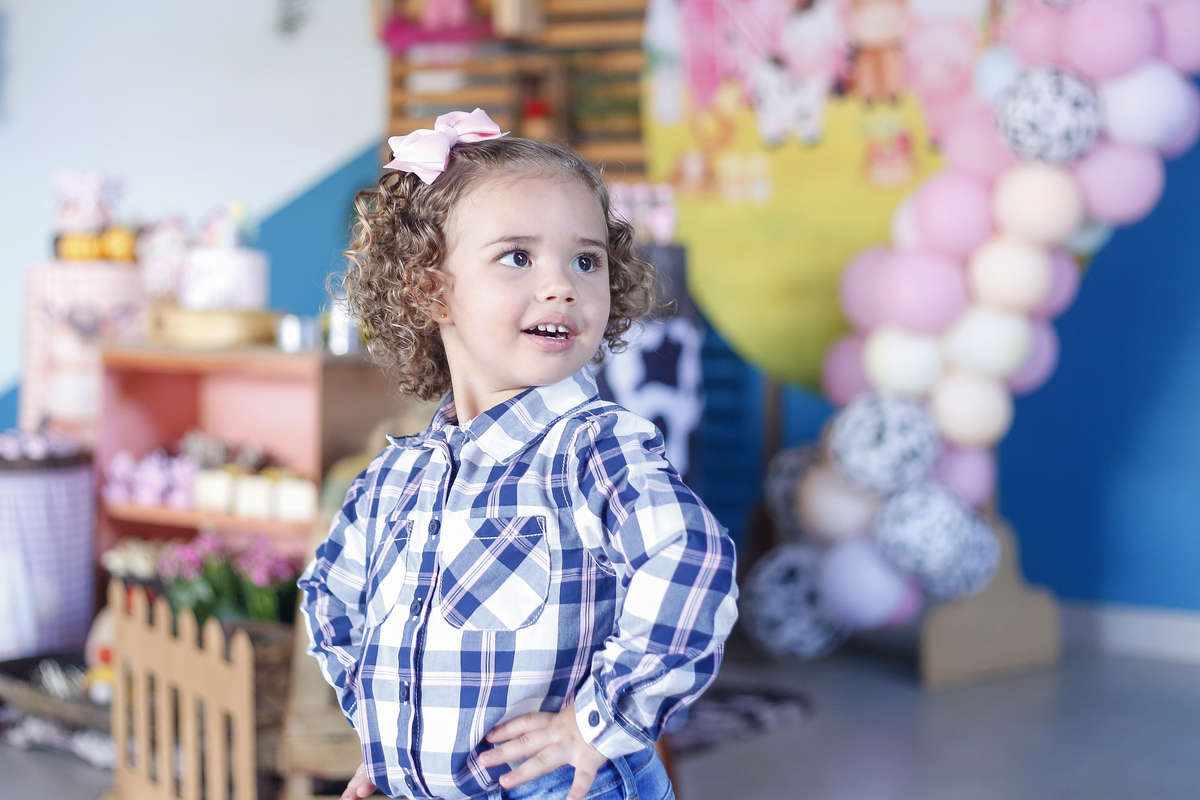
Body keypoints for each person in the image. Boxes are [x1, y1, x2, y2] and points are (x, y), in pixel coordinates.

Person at [298, 109, 738, 800]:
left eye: (586, 260)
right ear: (430, 290)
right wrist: (392, 740)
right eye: (518, 257)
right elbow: (332, 598)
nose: (562, 284)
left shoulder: (594, 448)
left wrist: (600, 720)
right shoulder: (395, 476)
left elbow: (691, 561)